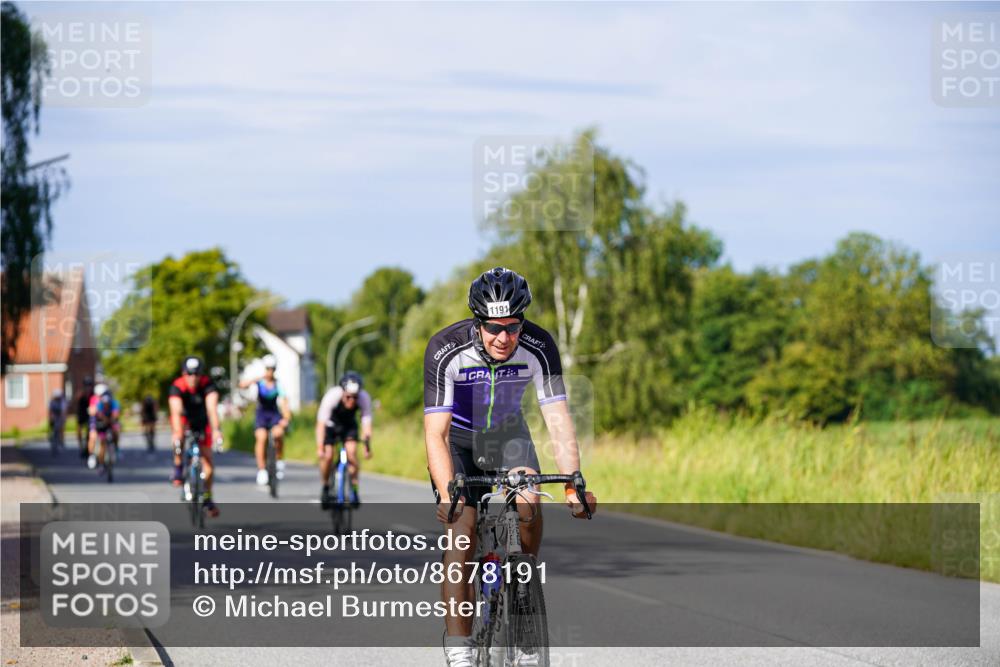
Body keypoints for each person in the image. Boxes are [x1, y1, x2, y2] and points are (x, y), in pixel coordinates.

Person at [423, 267, 597, 667]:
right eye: (494, 328)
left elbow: (557, 418)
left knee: (529, 502)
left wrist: (573, 482)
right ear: (477, 322)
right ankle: (459, 648)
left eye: (513, 327)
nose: (504, 338)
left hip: (508, 435)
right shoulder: (444, 348)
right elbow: (435, 432)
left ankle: (524, 584)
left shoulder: (539, 345)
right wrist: (450, 492)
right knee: (462, 533)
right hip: (458, 442)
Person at [168, 356, 224, 518]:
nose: (193, 378)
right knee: (178, 437)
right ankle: (178, 468)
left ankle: (207, 497)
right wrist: (179, 434)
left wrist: (216, 431)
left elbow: (212, 409)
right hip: (184, 420)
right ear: (183, 373)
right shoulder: (177, 386)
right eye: (189, 374)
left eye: (197, 374)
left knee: (208, 464)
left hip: (202, 420)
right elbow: (176, 411)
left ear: (201, 374)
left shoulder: (208, 384)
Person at [315, 371, 372, 508]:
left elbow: (366, 423)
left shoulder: (363, 397)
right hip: (331, 425)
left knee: (351, 453)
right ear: (343, 392)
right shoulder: (332, 396)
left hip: (349, 425)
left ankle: (354, 489)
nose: (351, 400)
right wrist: (320, 447)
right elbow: (321, 424)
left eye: (354, 397)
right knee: (328, 456)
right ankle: (325, 486)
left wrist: (367, 446)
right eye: (348, 397)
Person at [238, 354, 291, 486]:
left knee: (278, 434)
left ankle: (279, 460)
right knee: (261, 438)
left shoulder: (278, 384)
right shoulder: (260, 382)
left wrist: (286, 418)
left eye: (272, 369)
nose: (269, 371)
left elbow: (284, 403)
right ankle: (262, 470)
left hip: (274, 414)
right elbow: (242, 385)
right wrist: (256, 379)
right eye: (267, 369)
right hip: (261, 414)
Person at [87, 383, 121, 471]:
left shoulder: (113, 402)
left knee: (116, 431)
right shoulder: (97, 402)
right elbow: (96, 414)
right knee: (98, 440)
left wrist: (112, 420)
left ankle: (116, 448)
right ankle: (96, 459)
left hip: (111, 421)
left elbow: (116, 414)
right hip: (100, 422)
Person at [75, 376, 95, 460]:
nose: (88, 387)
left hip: (90, 415)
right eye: (86, 385)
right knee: (79, 429)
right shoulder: (81, 394)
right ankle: (80, 446)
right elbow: (76, 401)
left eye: (89, 385)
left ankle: (87, 448)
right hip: (82, 414)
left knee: (89, 432)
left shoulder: (93, 394)